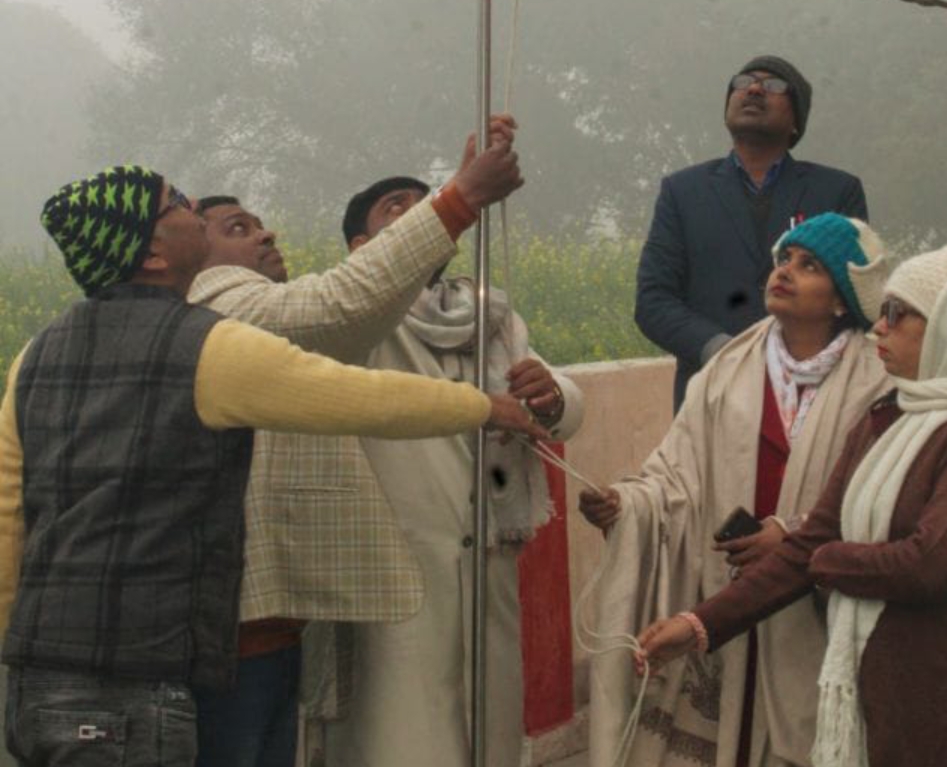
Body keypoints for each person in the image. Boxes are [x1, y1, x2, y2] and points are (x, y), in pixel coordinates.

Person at [0, 165, 542, 767]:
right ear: (152, 251)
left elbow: (9, 513)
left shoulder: (34, 354)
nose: (191, 207)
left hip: (45, 676)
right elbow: (357, 394)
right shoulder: (207, 344)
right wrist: (482, 404)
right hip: (154, 673)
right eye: (176, 203)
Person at [638, 243, 947, 767]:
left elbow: (927, 564)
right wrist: (698, 625)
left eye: (898, 314)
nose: (878, 330)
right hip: (894, 705)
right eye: (881, 313)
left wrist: (827, 561)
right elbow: (811, 538)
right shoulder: (886, 419)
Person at [186, 122, 522, 767]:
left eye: (261, 223)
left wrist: (549, 400)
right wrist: (457, 200)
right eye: (236, 228)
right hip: (279, 611)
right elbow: (356, 344)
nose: (266, 233)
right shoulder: (227, 306)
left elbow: (543, 397)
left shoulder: (491, 313)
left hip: (298, 614)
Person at [581, 213, 889, 767]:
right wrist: (628, 505)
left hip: (816, 606)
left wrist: (792, 538)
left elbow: (880, 496)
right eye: (783, 260)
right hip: (725, 593)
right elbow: (676, 477)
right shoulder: (724, 371)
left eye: (809, 265)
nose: (786, 272)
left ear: (842, 299)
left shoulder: (878, 385)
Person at [303, 174, 584, 767]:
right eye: (394, 208)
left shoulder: (490, 312)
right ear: (361, 249)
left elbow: (558, 401)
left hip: (486, 558)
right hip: (395, 560)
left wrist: (551, 395)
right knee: (400, 730)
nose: (418, 213)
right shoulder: (355, 318)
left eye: (424, 202)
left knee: (488, 727)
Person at [635, 54, 869, 409]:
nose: (755, 89)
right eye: (743, 82)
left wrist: (795, 357)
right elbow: (653, 301)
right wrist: (723, 351)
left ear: (796, 122)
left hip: (817, 394)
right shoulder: (683, 192)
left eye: (774, 85)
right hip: (712, 395)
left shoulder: (836, 191)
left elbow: (856, 296)